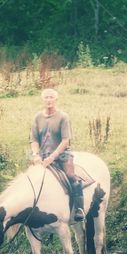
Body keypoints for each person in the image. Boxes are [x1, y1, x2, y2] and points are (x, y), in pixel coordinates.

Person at [29, 88, 85, 222]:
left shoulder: (63, 117)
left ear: (56, 100)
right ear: (43, 100)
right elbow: (34, 140)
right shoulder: (37, 117)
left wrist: (52, 157)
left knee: (71, 176)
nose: (49, 100)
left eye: (51, 97)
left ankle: (79, 209)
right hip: (42, 156)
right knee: (30, 178)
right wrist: (36, 154)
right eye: (46, 97)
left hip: (62, 155)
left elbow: (66, 141)